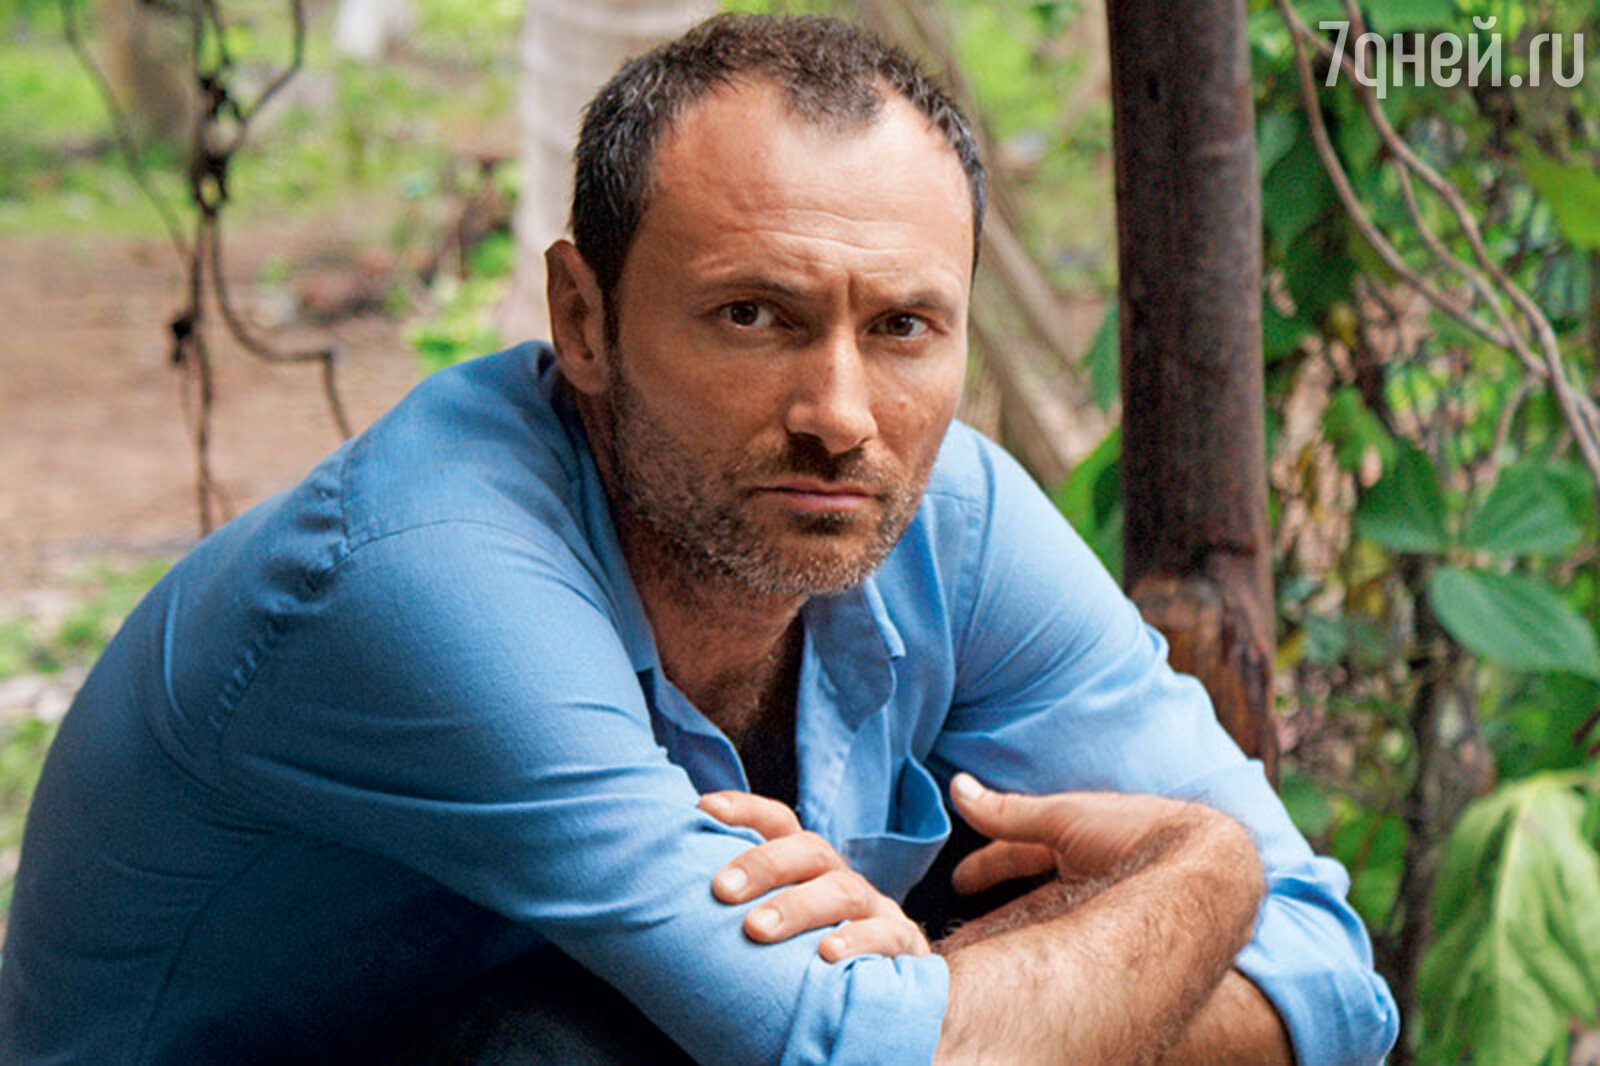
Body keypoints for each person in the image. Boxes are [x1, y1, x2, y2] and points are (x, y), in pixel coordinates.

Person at [0, 14, 1398, 1064]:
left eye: (903, 326)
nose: (840, 414)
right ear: (583, 320)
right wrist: (1202, 871)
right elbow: (854, 1050)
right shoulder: (431, 576)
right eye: (754, 316)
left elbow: (1332, 981)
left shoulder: (949, 516)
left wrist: (943, 984)